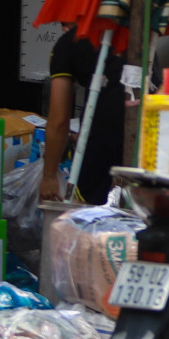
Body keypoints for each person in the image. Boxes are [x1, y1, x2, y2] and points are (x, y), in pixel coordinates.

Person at [39, 23, 125, 206]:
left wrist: (48, 177)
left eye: (63, 23)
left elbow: (59, 119)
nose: (63, 28)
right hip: (152, 126)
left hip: (106, 127)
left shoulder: (70, 41)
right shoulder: (135, 34)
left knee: (86, 213)